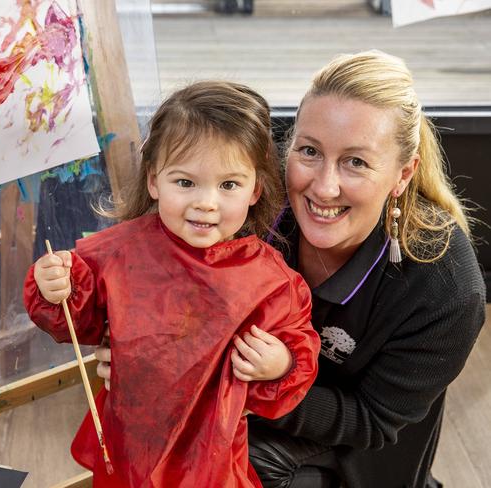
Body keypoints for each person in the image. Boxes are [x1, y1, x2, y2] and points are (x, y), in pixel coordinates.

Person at [95, 51, 486, 488]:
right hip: (233, 406)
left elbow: (370, 421)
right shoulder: (247, 204)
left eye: (356, 162)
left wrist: (223, 386)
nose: (324, 186)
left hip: (353, 450)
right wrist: (148, 358)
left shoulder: (447, 289)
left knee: (248, 465)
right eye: (309, 151)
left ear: (403, 173)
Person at [24, 80, 321, 487]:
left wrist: (281, 365)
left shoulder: (270, 282)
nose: (206, 202)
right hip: (130, 447)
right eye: (185, 183)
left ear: (255, 189)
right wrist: (54, 286)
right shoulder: (121, 250)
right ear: (153, 181)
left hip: (211, 459)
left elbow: (294, 355)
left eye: (228, 185)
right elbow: (79, 321)